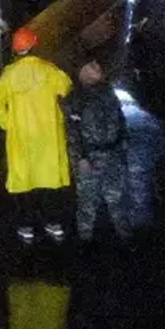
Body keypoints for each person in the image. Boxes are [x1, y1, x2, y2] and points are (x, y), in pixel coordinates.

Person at [0, 27, 74, 245]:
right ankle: (52, 223)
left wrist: (7, 124)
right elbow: (65, 87)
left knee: (23, 183)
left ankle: (26, 227)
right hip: (48, 137)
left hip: (21, 138)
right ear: (34, 45)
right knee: (49, 182)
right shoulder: (48, 70)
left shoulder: (8, 75)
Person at [64, 59, 131, 243]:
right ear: (83, 72)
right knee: (87, 204)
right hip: (90, 157)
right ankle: (85, 242)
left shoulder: (108, 92)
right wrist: (80, 159)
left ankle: (126, 239)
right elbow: (72, 133)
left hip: (113, 154)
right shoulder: (76, 98)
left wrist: (123, 145)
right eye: (92, 66)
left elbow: (120, 119)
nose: (98, 68)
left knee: (117, 200)